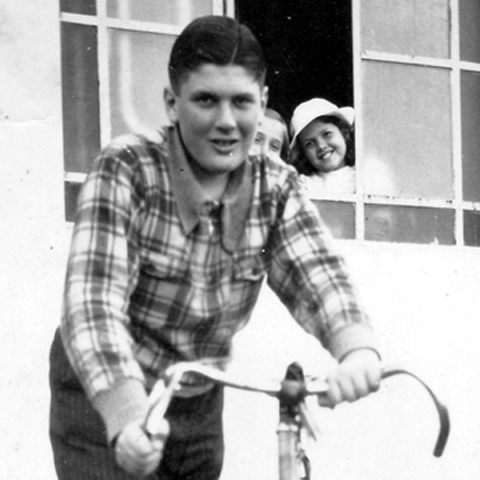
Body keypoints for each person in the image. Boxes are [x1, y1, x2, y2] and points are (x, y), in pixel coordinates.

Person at [49, 15, 382, 480]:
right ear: (172, 102)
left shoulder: (276, 184)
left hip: (197, 398)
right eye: (206, 100)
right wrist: (124, 416)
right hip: (103, 389)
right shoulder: (126, 167)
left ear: (262, 102)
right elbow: (92, 305)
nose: (226, 122)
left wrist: (357, 351)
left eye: (241, 102)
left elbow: (316, 272)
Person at [289, 98, 356, 194]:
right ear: (304, 153)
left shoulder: (362, 176)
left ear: (344, 133)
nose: (321, 146)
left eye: (327, 134)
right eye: (309, 143)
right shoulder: (305, 184)